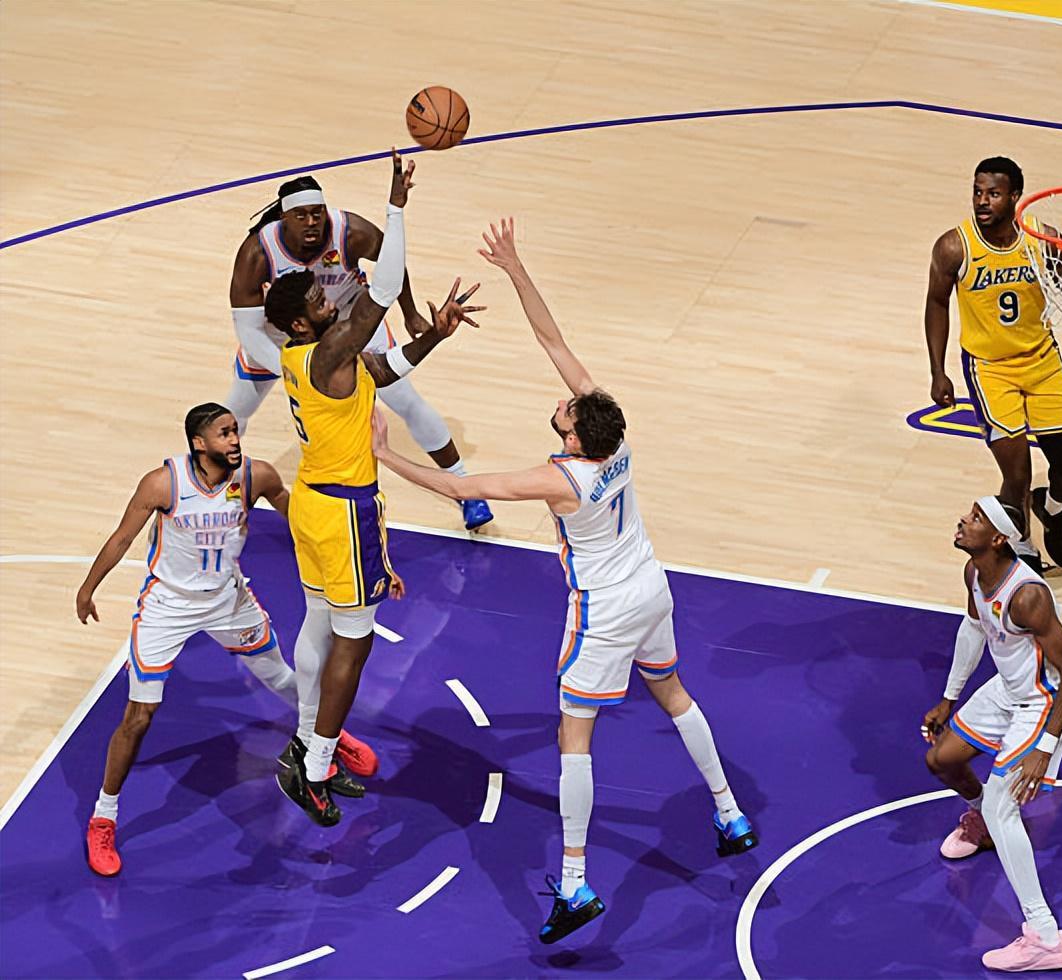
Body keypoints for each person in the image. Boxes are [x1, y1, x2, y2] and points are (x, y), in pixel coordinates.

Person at [370, 217, 757, 945]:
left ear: (574, 436)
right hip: (652, 587)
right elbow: (554, 343)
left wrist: (387, 458)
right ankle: (730, 812)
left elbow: (463, 488)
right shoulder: (616, 438)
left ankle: (575, 882)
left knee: (572, 736)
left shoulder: (562, 479)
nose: (562, 401)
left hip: (604, 608)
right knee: (674, 694)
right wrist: (516, 267)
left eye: (566, 411)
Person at [264, 151, 482, 827]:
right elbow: (382, 291)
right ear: (303, 323)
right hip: (343, 511)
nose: (329, 297)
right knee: (353, 644)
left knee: (318, 625)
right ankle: (317, 767)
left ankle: (305, 743)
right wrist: (397, 205)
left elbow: (383, 369)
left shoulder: (310, 357)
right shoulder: (328, 350)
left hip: (312, 503)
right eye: (317, 300)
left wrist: (434, 336)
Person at [75, 403, 363, 876]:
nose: (234, 440)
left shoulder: (255, 476)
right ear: (199, 442)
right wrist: (88, 588)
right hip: (168, 606)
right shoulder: (163, 484)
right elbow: (122, 538)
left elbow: (301, 523)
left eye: (235, 431)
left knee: (283, 679)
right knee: (139, 716)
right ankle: (103, 817)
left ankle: (324, 734)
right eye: (224, 433)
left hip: (229, 600)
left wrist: (345, 560)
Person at [227, 171, 493, 531]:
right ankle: (223, 489)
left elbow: (390, 264)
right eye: (301, 215)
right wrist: (299, 372)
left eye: (317, 213)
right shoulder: (257, 252)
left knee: (405, 399)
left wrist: (412, 314)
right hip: (281, 334)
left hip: (351, 319)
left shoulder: (350, 232)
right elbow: (248, 329)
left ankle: (465, 487)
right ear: (284, 218)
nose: (312, 222)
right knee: (234, 412)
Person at [922, 495, 1062, 971]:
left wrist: (1044, 747)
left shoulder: (1027, 595)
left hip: (1047, 699)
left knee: (1003, 805)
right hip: (1010, 689)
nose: (962, 519)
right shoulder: (974, 573)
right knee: (941, 759)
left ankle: (1046, 937)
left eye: (975, 518)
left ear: (998, 538)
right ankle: (985, 824)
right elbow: (974, 629)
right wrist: (949, 698)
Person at [923, 157, 1062, 572]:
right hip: (990, 369)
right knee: (1017, 473)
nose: (982, 201)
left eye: (993, 194)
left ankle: (1052, 508)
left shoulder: (1041, 240)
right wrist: (938, 371)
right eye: (977, 192)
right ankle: (1024, 552)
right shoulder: (954, 247)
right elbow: (936, 303)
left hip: (1042, 360)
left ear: (1015, 196)